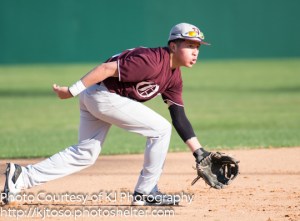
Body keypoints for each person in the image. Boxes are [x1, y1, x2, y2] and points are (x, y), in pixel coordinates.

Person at [3, 22, 212, 206]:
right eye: (190, 45)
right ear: (173, 46)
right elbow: (105, 69)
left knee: (85, 154)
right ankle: (146, 191)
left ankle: (21, 178)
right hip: (102, 95)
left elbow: (179, 117)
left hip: (100, 96)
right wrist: (71, 91)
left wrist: (199, 153)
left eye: (197, 47)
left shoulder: (173, 77)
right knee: (160, 129)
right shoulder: (151, 61)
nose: (195, 52)